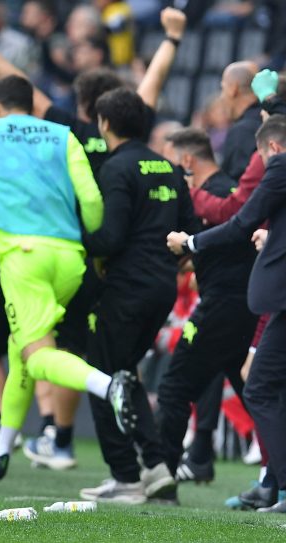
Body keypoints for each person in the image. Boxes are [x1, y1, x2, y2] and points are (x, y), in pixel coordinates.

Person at [0, 75, 137, 484]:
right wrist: (94, 243)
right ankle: (0, 452)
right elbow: (90, 199)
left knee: (36, 353)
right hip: (69, 259)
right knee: (21, 349)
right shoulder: (62, 135)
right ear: (32, 106)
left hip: (24, 257)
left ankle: (110, 387)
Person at [80, 87, 199, 504]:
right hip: (163, 289)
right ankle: (157, 468)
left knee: (101, 377)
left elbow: (109, 238)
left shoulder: (116, 168)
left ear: (104, 123)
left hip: (126, 289)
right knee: (125, 375)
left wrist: (73, 236)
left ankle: (127, 476)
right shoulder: (168, 168)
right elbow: (188, 234)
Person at [167, 114, 286, 514]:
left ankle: (162, 474)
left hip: (246, 304)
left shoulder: (277, 167)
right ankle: (271, 483)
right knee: (259, 390)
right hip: (254, 307)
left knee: (186, 382)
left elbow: (238, 220)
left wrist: (190, 243)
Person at [157, 128, 258, 485]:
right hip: (242, 306)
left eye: (170, 163)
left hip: (222, 304)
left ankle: (161, 475)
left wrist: (188, 245)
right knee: (254, 396)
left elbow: (228, 236)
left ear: (186, 161)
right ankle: (276, 476)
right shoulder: (227, 188)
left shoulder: (213, 195)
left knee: (174, 386)